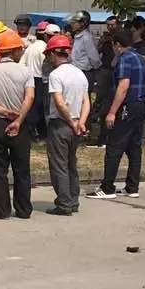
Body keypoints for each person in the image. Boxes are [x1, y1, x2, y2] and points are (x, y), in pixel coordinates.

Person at [0, 30, 35, 219]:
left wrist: (2, 111)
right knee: (22, 169)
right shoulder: (25, 72)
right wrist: (18, 120)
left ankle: (1, 210)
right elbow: (30, 97)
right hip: (20, 124)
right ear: (16, 51)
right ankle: (24, 209)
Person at [87, 29, 145, 199]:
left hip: (126, 106)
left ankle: (107, 187)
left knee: (114, 146)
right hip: (140, 105)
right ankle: (132, 186)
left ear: (117, 45)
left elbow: (123, 86)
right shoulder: (140, 59)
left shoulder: (125, 58)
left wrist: (112, 112)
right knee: (134, 147)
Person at [44, 34, 89, 216]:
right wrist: (81, 123)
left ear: (55, 53)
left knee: (59, 165)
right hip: (77, 123)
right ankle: (73, 200)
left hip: (61, 123)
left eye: (49, 54)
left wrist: (70, 121)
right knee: (71, 164)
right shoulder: (80, 73)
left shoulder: (56, 75)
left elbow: (59, 102)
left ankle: (64, 204)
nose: (48, 58)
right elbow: (87, 101)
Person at [89, 16, 121, 148]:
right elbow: (97, 52)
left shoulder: (120, 38)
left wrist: (114, 42)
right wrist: (102, 42)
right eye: (108, 25)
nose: (110, 27)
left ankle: (110, 134)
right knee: (100, 101)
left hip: (117, 71)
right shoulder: (106, 38)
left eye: (112, 25)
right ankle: (96, 134)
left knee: (113, 100)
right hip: (104, 70)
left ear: (118, 25)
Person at [20, 22, 55, 140]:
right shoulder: (45, 48)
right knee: (40, 107)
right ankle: (38, 132)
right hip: (41, 80)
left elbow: (21, 64)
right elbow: (46, 67)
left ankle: (32, 131)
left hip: (29, 78)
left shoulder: (31, 47)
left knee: (32, 106)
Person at [68, 11, 101, 110]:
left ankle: (86, 124)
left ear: (83, 23)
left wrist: (94, 70)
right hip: (77, 72)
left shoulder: (86, 37)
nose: (72, 24)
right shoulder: (78, 37)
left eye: (76, 22)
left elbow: (94, 58)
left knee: (84, 102)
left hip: (85, 73)